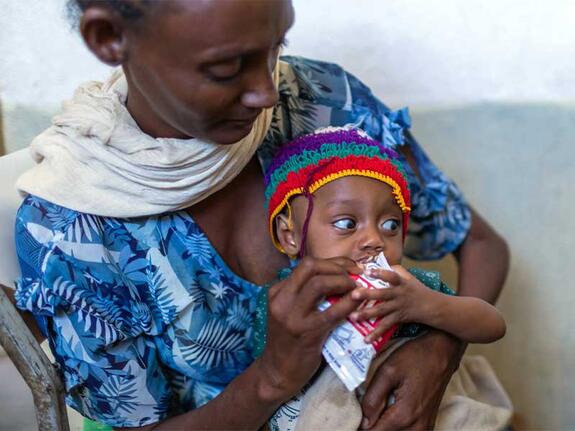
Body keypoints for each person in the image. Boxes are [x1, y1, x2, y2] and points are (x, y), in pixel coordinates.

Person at [12, 1, 509, 430]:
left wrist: (438, 345)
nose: (266, 91)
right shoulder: (72, 237)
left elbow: (482, 245)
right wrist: (273, 378)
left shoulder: (321, 101)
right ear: (109, 37)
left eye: (276, 46)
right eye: (226, 68)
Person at [251, 125, 506, 430]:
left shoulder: (407, 286)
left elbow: (493, 324)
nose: (374, 239)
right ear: (289, 235)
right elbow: (270, 382)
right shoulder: (282, 304)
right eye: (346, 223)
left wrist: (426, 305)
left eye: (390, 225)